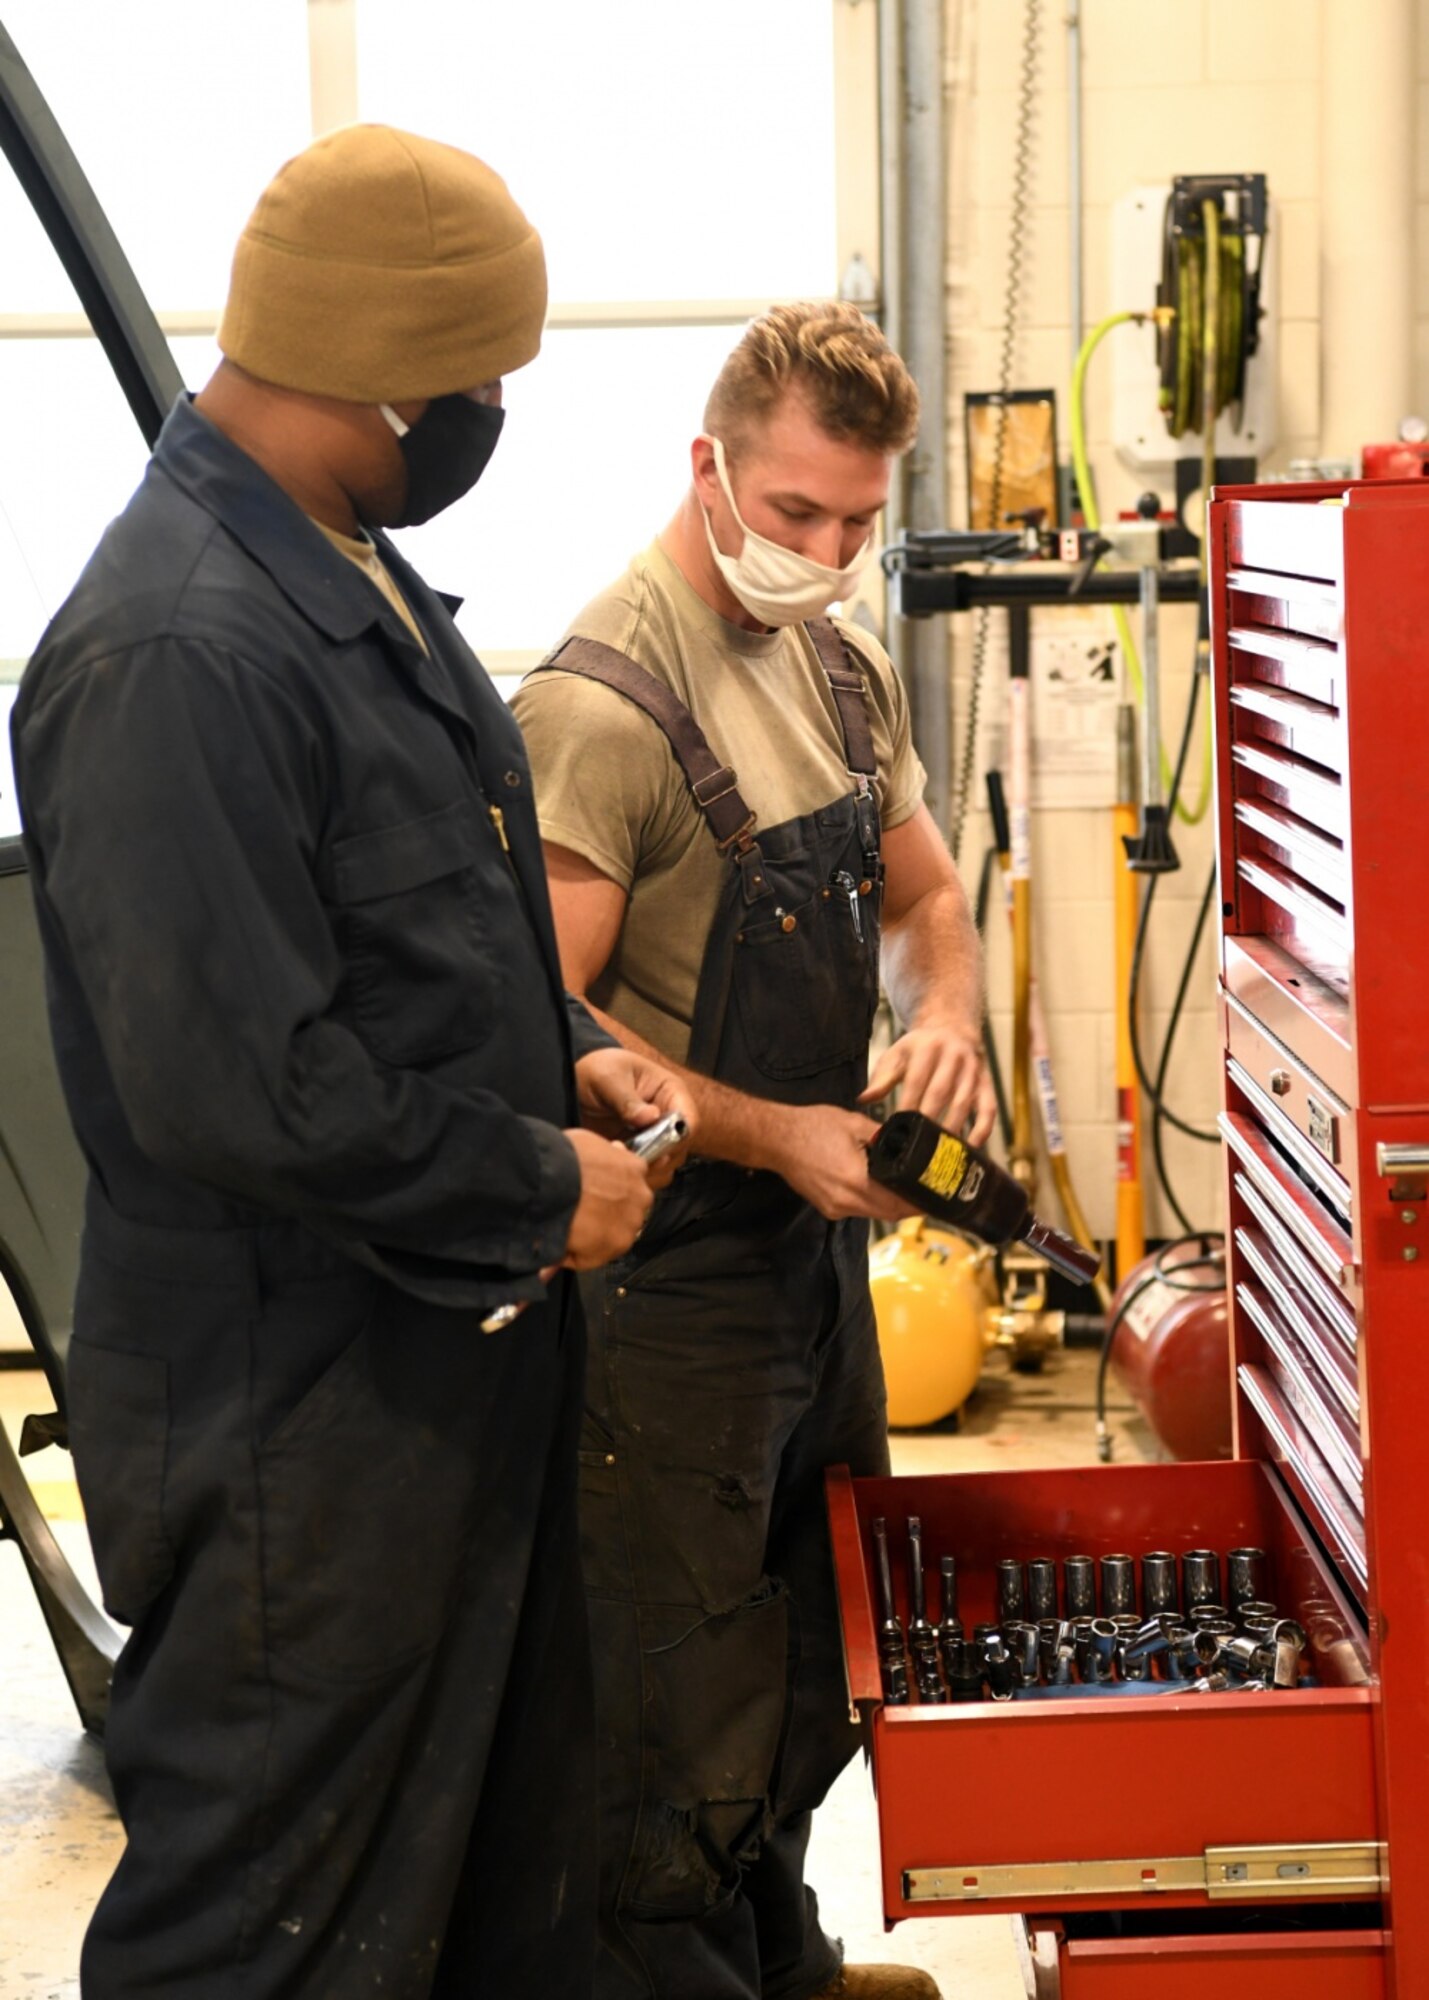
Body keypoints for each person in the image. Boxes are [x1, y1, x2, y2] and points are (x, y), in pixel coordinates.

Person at [12, 124, 692, 1999]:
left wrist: (570, 1052)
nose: (488, 412)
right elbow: (236, 1083)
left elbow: (410, 938)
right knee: (269, 1937)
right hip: (289, 1433)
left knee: (477, 1890)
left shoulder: (348, 566)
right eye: (479, 380)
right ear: (386, 371)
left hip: (430, 1381)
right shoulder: (176, 650)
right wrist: (541, 1186)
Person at [510, 302, 997, 2000]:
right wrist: (770, 1128)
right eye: (795, 514)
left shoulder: (840, 670)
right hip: (669, 1302)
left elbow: (929, 895)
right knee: (674, 1700)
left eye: (858, 521)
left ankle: (779, 1960)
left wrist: (943, 1016)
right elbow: (545, 1033)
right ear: (705, 466)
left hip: (812, 1262)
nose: (827, 552)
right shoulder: (601, 705)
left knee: (803, 1655)